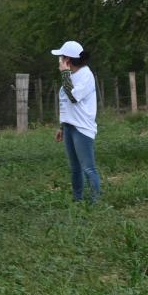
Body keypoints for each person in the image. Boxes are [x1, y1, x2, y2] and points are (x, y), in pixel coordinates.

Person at [53, 40, 101, 203]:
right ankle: (77, 200)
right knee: (75, 169)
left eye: (61, 57)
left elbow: (73, 97)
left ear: (68, 60)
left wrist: (64, 73)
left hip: (82, 129)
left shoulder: (85, 75)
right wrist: (62, 126)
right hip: (69, 128)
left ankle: (95, 202)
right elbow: (65, 104)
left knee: (88, 168)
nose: (59, 60)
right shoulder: (72, 75)